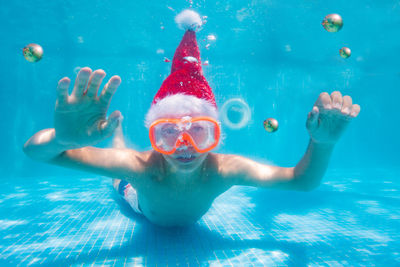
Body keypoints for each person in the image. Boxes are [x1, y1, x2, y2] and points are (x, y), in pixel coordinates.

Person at [23, 10, 360, 227]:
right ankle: (119, 135)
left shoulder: (224, 171)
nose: (183, 145)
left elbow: (301, 180)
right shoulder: (140, 168)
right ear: (154, 138)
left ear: (217, 136)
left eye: (199, 132)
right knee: (117, 184)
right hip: (136, 199)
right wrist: (63, 140)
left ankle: (120, 134)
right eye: (168, 133)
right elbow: (36, 151)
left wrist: (322, 144)